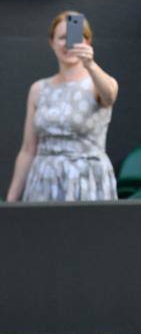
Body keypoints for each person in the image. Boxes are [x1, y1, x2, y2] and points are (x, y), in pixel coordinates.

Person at [7, 12, 118, 202]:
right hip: (44, 181)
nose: (68, 44)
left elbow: (109, 96)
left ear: (88, 42)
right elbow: (28, 149)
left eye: (75, 37)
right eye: (62, 38)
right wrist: (11, 199)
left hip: (87, 181)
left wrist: (90, 65)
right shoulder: (39, 89)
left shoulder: (97, 82)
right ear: (52, 42)